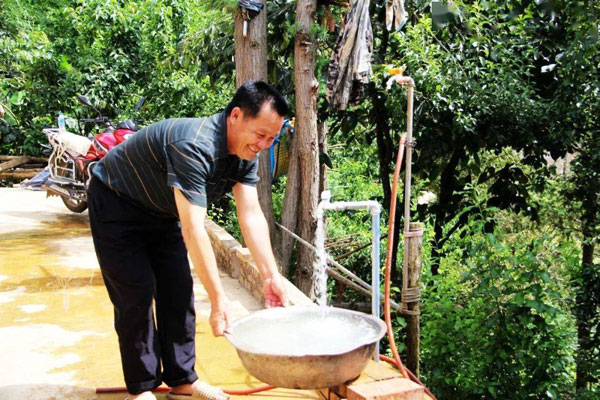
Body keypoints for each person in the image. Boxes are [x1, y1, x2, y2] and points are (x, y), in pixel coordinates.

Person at [87, 81, 290, 400]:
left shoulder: (246, 151)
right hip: (116, 202)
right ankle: (141, 388)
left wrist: (270, 276)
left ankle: (182, 380)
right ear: (236, 116)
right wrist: (219, 299)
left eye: (271, 138)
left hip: (161, 210)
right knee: (136, 294)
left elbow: (251, 214)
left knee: (178, 289)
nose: (264, 145)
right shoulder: (193, 145)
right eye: (261, 134)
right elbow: (194, 229)